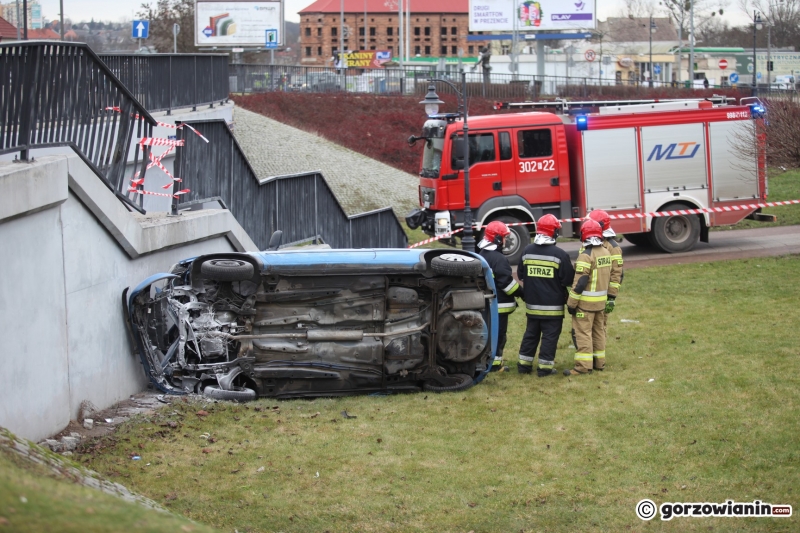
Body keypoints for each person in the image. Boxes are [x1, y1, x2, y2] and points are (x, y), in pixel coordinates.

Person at [516, 214, 575, 377]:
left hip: (532, 306)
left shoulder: (527, 251)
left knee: (531, 335)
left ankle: (523, 366)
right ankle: (544, 369)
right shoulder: (560, 255)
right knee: (549, 337)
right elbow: (568, 280)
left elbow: (520, 274)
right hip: (553, 308)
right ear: (554, 232)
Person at [564, 219, 612, 376]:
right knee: (599, 332)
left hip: (585, 305)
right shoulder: (606, 252)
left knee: (583, 333)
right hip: (601, 303)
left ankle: (583, 366)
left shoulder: (586, 256)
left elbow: (579, 283)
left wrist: (571, 304)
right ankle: (600, 363)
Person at [478, 221, 521, 371]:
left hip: (484, 304)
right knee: (499, 336)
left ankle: (485, 362)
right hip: (499, 305)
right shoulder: (499, 259)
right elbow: (507, 284)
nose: (505, 240)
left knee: (487, 334)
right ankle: (495, 365)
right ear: (497, 239)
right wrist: (521, 293)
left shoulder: (481, 255)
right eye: (503, 237)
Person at [587, 210, 624, 371]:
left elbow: (617, 274)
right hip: (589, 294)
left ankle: (598, 361)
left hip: (601, 295)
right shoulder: (595, 241)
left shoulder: (613, 248)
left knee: (599, 327)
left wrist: (611, 297)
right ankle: (592, 359)